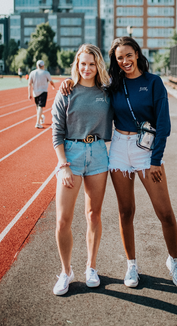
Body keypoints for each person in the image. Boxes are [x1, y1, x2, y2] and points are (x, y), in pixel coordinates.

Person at [60, 37, 177, 289]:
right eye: (120, 58)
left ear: (137, 54)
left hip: (146, 151)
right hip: (119, 149)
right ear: (115, 61)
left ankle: (174, 261)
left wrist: (156, 160)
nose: (125, 61)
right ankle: (131, 265)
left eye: (129, 55)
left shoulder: (153, 83)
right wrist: (67, 82)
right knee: (125, 211)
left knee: (165, 213)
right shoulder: (112, 86)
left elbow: (163, 125)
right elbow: (88, 86)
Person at [51, 44, 113, 296]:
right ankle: (66, 272)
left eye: (91, 63)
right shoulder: (66, 92)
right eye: (82, 63)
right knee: (63, 219)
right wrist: (63, 165)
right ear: (76, 64)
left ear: (98, 65)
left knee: (93, 214)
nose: (86, 68)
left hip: (98, 153)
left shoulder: (107, 92)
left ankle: (91, 267)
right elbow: (56, 133)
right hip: (72, 155)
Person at [28, 60, 55, 128]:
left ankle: (40, 118)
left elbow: (29, 84)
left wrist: (29, 93)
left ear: (37, 65)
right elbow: (51, 81)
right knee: (40, 106)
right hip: (43, 91)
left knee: (38, 107)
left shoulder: (32, 73)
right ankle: (37, 123)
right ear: (43, 66)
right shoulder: (46, 73)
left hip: (35, 92)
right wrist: (53, 86)